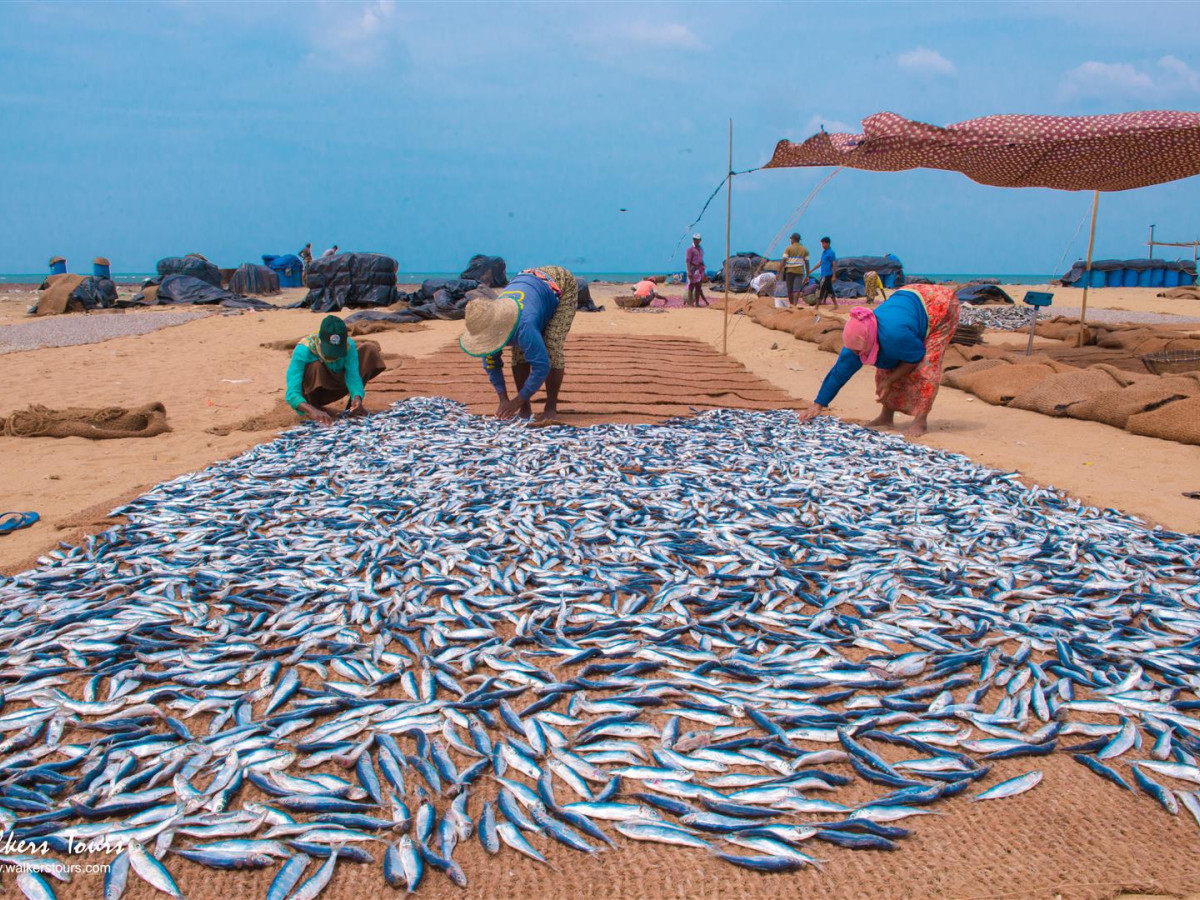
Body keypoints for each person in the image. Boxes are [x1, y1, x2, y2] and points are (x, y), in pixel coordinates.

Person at [798, 283, 961, 438]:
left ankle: (920, 420)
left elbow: (915, 356)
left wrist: (890, 380)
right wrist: (818, 404)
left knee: (926, 366)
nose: (857, 354)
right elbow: (839, 373)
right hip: (906, 300)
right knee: (885, 367)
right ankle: (886, 416)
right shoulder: (857, 340)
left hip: (939, 306)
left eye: (858, 351)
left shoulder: (894, 336)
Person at [459, 266, 578, 421]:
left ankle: (551, 405)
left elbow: (541, 366)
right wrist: (503, 399)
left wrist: (516, 400)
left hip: (559, 284)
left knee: (551, 345)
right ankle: (525, 408)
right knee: (519, 354)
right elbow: (491, 363)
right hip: (529, 288)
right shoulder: (487, 324)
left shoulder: (523, 325)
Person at [285, 315, 386, 426]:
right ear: (320, 341)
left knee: (369, 349)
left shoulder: (349, 346)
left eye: (337, 352)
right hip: (315, 391)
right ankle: (315, 409)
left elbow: (353, 377)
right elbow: (292, 394)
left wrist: (357, 397)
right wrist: (312, 411)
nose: (333, 357)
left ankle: (352, 408)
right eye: (330, 352)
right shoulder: (303, 350)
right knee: (315, 366)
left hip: (338, 384)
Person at [781, 233, 810, 306]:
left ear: (793, 239)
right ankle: (795, 305)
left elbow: (784, 261)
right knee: (797, 289)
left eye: (791, 239)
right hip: (799, 272)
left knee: (789, 289)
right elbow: (807, 263)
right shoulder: (805, 249)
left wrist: (778, 272)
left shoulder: (788, 248)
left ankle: (791, 304)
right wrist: (807, 275)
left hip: (789, 271)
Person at [685, 234, 708, 307]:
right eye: (694, 239)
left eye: (697, 239)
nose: (696, 240)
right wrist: (689, 271)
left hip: (699, 268)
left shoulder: (701, 249)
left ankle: (697, 303)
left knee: (698, 286)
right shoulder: (690, 249)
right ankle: (690, 303)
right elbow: (688, 261)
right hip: (693, 268)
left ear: (700, 240)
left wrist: (703, 268)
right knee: (691, 286)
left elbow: (700, 259)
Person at [817, 237, 837, 306]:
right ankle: (836, 305)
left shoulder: (831, 253)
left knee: (821, 289)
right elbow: (820, 263)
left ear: (828, 243)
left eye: (823, 243)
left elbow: (834, 264)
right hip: (823, 274)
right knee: (829, 290)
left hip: (827, 274)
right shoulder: (824, 252)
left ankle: (817, 306)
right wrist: (810, 271)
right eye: (822, 244)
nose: (822, 245)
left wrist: (834, 276)